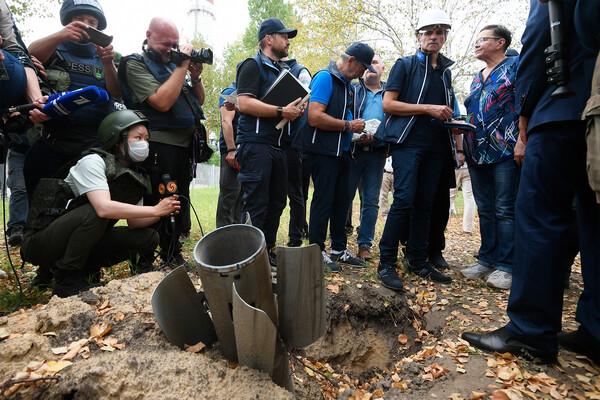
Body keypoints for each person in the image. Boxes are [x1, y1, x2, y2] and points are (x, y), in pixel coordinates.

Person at [462, 0, 599, 365]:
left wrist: (525, 118)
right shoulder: (476, 79)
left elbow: (540, 43)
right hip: (593, 107)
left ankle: (530, 331)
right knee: (593, 219)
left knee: (539, 218)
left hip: (561, 109)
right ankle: (595, 330)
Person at [21, 110, 180, 297]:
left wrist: (162, 210)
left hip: (82, 239)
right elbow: (103, 209)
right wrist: (154, 209)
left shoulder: (134, 176)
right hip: (40, 244)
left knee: (148, 236)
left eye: (146, 138)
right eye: (137, 137)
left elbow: (134, 223)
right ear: (117, 139)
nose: (144, 144)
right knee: (94, 213)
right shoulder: (93, 161)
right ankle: (66, 278)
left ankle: (90, 269)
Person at [375, 9, 458, 290]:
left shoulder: (445, 73)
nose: (434, 37)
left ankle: (417, 259)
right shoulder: (405, 65)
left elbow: (447, 108)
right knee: (405, 200)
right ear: (419, 37)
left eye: (440, 32)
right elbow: (388, 104)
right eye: (429, 32)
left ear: (445, 37)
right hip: (408, 144)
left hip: (436, 147)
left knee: (426, 203)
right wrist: (427, 109)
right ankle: (386, 263)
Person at [119, 17, 205, 267]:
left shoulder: (173, 68)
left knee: (176, 201)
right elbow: (161, 102)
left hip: (183, 147)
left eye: (175, 44)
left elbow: (197, 101)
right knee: (153, 201)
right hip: (155, 145)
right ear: (149, 35)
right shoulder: (134, 63)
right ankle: (143, 260)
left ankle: (171, 252)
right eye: (165, 43)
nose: (171, 49)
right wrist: (182, 66)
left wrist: (195, 76)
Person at [24, 0, 121, 197]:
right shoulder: (54, 48)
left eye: (92, 22)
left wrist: (108, 63)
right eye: (79, 19)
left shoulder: (106, 55)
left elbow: (118, 93)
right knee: (44, 202)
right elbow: (27, 56)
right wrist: (61, 36)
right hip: (54, 141)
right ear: (68, 20)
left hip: (93, 144)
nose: (86, 25)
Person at [235, 18, 302, 264]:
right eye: (284, 36)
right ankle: (247, 256)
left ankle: (266, 251)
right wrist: (281, 111)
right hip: (255, 145)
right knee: (257, 204)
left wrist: (294, 110)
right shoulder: (252, 65)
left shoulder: (283, 71)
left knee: (277, 202)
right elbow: (244, 103)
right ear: (268, 39)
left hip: (278, 146)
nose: (287, 41)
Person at [304, 42, 375, 272]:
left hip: (343, 152)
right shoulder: (325, 78)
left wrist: (358, 132)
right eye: (363, 68)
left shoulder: (349, 86)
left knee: (342, 201)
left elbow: (347, 121)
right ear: (352, 61)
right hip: (322, 152)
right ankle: (316, 250)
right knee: (323, 200)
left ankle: (338, 248)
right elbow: (314, 116)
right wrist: (347, 125)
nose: (364, 74)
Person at [460, 25, 520, 290]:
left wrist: (523, 139)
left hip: (505, 150)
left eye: (482, 39)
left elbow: (525, 105)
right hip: (476, 152)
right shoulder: (476, 76)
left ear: (500, 42)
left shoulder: (516, 67)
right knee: (485, 209)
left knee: (505, 209)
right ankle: (487, 259)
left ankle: (507, 266)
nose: (477, 44)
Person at [347, 55, 387, 260]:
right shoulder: (352, 89)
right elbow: (344, 114)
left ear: (383, 67)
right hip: (353, 152)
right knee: (345, 197)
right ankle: (340, 242)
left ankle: (365, 245)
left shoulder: (390, 93)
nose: (372, 67)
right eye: (368, 63)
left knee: (371, 201)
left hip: (378, 153)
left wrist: (380, 139)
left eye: (376, 63)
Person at [283, 57, 311, 247]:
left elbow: (305, 104)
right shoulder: (265, 68)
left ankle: (296, 238)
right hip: (271, 142)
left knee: (296, 193)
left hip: (294, 144)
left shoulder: (300, 71)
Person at [215, 83, 242, 228]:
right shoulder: (231, 92)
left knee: (240, 198)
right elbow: (226, 122)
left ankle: (238, 237)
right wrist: (232, 149)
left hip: (243, 152)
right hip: (232, 152)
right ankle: (223, 237)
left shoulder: (247, 94)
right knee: (229, 195)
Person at [449, 162, 476, 234]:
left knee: (449, 197)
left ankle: (443, 225)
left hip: (454, 166)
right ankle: (467, 229)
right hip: (468, 166)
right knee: (469, 198)